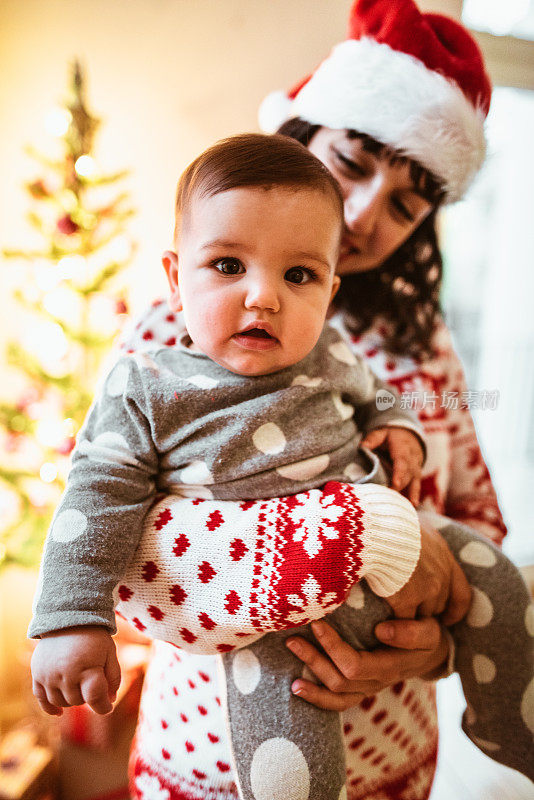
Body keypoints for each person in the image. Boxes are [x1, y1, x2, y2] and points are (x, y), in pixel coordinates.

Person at [108, 2, 533, 799]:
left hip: (396, 764)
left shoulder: (423, 350)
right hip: (208, 769)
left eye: (407, 202)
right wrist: (359, 538)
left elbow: (479, 525)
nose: (367, 212)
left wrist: (434, 646)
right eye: (355, 159)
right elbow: (118, 560)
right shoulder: (175, 332)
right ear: (303, 134)